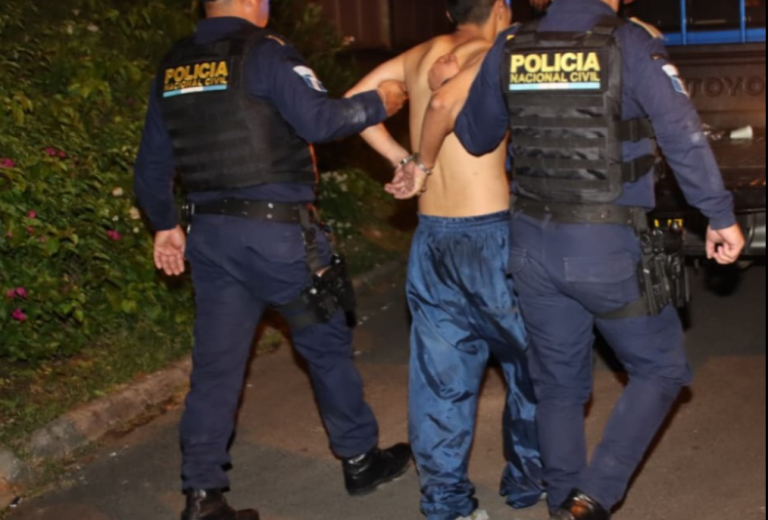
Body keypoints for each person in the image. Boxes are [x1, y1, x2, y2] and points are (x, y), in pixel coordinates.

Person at [396, 0, 747, 518]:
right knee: (662, 368)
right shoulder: (628, 41)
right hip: (602, 246)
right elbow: (681, 134)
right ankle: (594, 495)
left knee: (557, 388)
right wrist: (718, 214)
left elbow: (475, 136)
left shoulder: (511, 46)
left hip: (529, 246)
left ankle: (563, 504)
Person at [134, 0, 413, 518]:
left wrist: (166, 225)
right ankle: (360, 459)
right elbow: (320, 120)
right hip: (279, 240)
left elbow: (151, 166)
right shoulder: (265, 51)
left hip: (212, 241)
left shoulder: (174, 65)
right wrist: (380, 102)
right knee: (325, 346)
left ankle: (203, 495)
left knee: (216, 367)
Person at [346, 2, 543, 519]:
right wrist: (421, 162)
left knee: (440, 380)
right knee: (533, 361)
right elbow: (444, 105)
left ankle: (448, 505)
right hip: (491, 234)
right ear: (499, 7)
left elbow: (352, 105)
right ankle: (528, 478)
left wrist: (401, 158)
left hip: (432, 236)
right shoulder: (498, 48)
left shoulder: (417, 55)